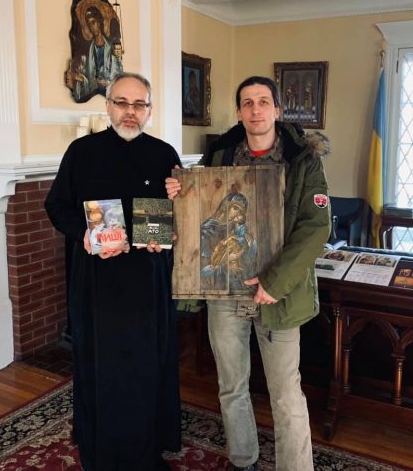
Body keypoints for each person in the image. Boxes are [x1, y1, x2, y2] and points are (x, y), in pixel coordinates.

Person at [166, 75, 331, 471]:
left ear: (277, 110)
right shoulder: (219, 156)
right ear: (239, 112)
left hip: (279, 295)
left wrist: (275, 283)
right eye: (247, 103)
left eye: (263, 101)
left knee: (286, 394)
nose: (256, 110)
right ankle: (244, 460)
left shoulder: (303, 160)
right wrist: (178, 193)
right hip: (226, 293)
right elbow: (198, 212)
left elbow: (315, 228)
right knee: (231, 387)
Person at [45, 72, 182, 471]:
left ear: (149, 111)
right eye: (122, 102)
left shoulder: (164, 154)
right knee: (100, 366)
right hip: (97, 283)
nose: (130, 112)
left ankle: (146, 450)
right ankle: (100, 451)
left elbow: (179, 216)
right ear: (108, 106)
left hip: (147, 280)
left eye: (139, 104)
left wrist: (177, 212)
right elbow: (56, 206)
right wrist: (84, 236)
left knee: (145, 365)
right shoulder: (81, 152)